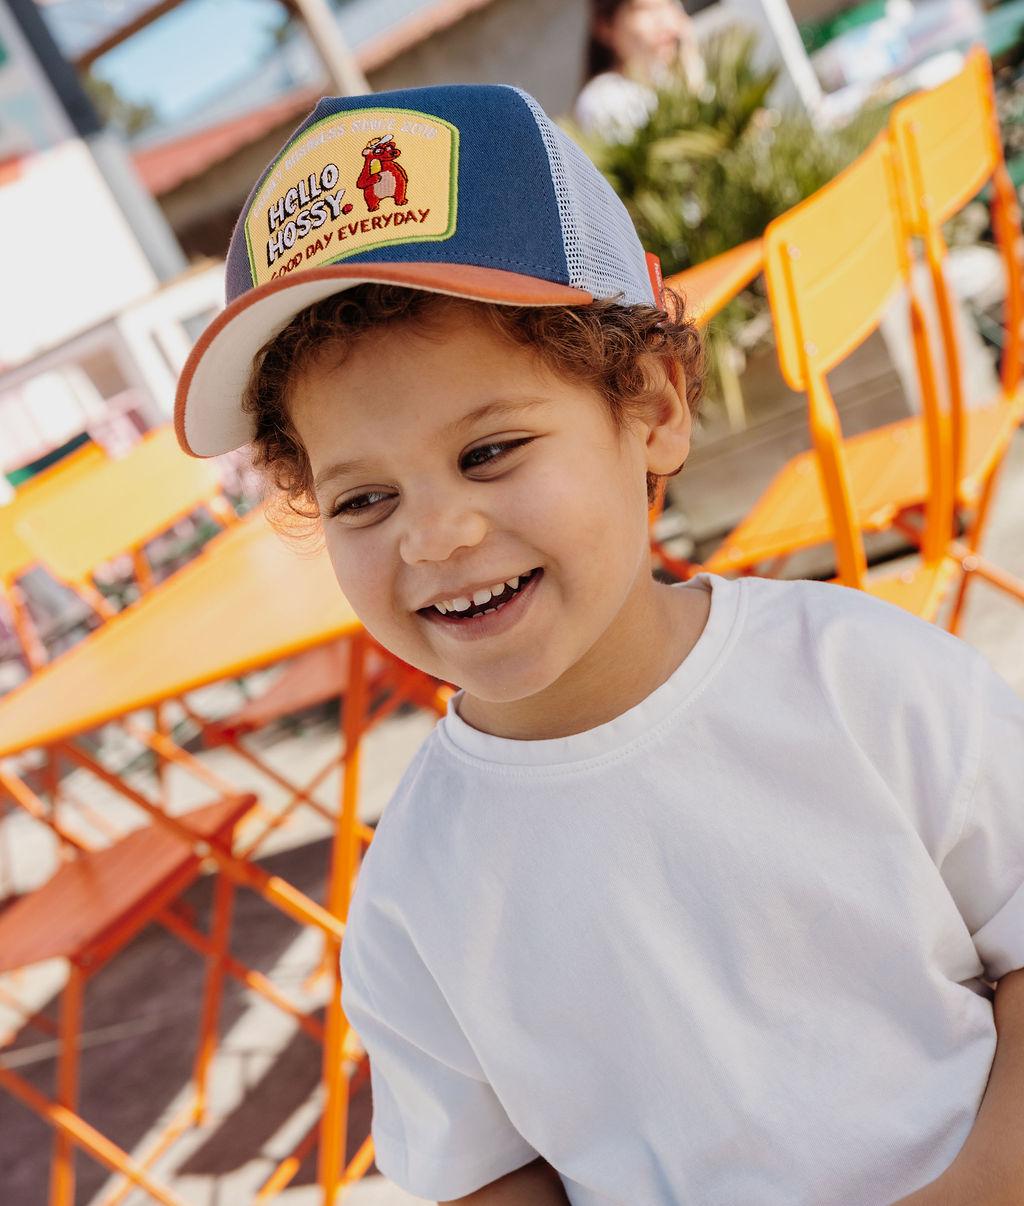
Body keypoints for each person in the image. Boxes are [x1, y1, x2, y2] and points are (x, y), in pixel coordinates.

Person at [174, 83, 1024, 1205]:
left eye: (491, 452)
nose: (436, 534)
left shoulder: (860, 678)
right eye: (363, 500)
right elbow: (484, 1175)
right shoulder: (412, 900)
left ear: (654, 406)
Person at [574, 0, 705, 140]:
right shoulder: (603, 100)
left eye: (670, 4)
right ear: (605, 25)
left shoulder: (668, 79)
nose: (667, 22)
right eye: (645, 10)